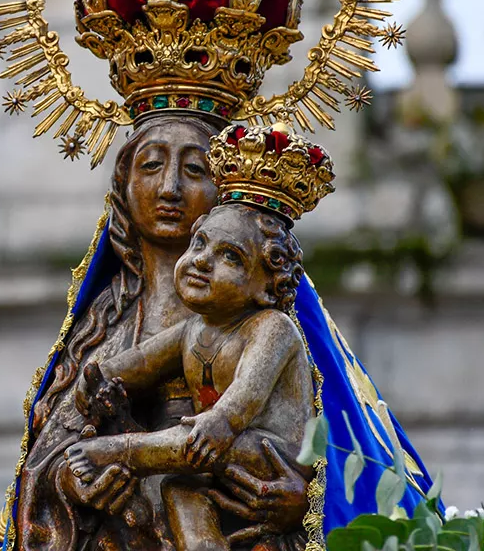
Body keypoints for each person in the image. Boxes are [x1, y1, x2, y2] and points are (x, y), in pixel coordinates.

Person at [6, 113, 315, 551]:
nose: (170, 187)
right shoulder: (103, 323)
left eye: (195, 170)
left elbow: (342, 450)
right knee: (180, 487)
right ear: (123, 189)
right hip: (127, 534)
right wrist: (77, 483)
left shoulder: (276, 324)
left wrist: (303, 502)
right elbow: (50, 455)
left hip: (247, 525)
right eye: (151, 166)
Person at [65, 206, 314, 551]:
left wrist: (220, 422)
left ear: (268, 290)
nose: (201, 260)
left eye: (230, 256)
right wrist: (95, 380)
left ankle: (118, 452)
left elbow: (241, 402)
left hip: (270, 455)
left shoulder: (273, 328)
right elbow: (138, 363)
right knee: (179, 485)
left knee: (195, 442)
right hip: (212, 456)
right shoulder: (194, 327)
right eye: (199, 244)